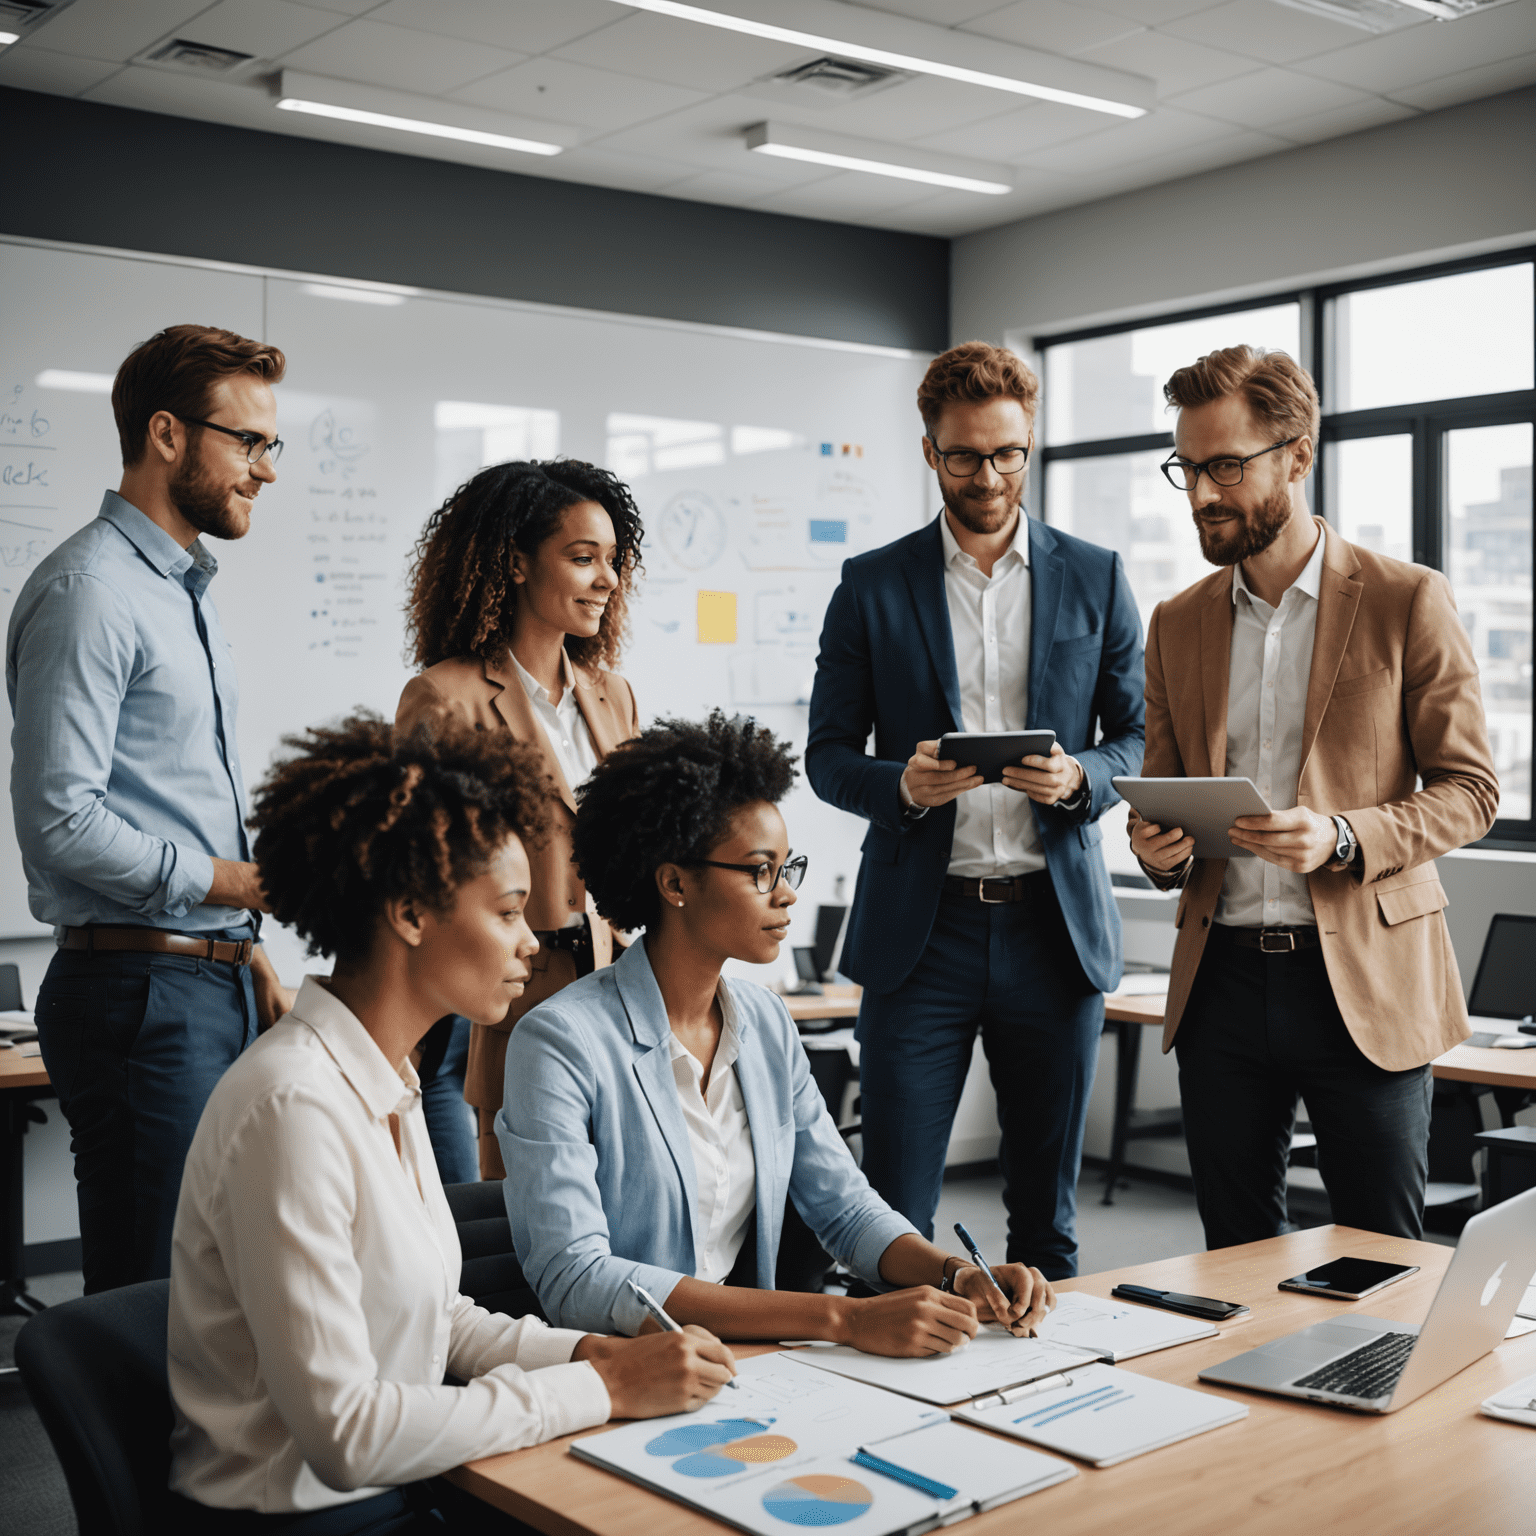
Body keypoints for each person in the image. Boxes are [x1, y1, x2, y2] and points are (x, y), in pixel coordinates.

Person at [167, 713, 736, 1533]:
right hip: (305, 1518)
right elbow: (346, 1436)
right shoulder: (292, 1108)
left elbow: (438, 1320)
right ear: (409, 912)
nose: (531, 945)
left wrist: (593, 1355)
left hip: (404, 1490)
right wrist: (600, 1389)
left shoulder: (386, 1080)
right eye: (507, 912)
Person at [500, 711, 1055, 1349]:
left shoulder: (764, 1024)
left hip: (748, 1366)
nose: (786, 894)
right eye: (761, 870)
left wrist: (954, 1273)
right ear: (676, 881)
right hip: (627, 1371)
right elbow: (576, 1277)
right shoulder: (560, 1043)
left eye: (788, 869)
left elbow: (844, 1209)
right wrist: (844, 1319)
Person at [1130, 345, 1499, 1249]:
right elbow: (1162, 798)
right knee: (1234, 1258)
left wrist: (1340, 835)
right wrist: (1155, 845)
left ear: (1297, 454)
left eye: (1227, 465)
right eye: (1189, 467)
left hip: (1363, 981)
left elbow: (1472, 790)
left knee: (1383, 1252)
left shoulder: (1407, 599)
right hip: (1221, 980)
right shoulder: (1176, 621)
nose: (1202, 494)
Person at [805, 342, 1145, 1279]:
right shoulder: (873, 585)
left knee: (1047, 1223)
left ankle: (1065, 1400)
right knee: (893, 1219)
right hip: (925, 935)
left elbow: (1141, 738)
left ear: (1029, 445)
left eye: (1007, 454)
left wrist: (1082, 780)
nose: (989, 476)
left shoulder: (1096, 576)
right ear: (930, 452)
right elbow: (828, 757)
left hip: (1053, 926)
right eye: (965, 456)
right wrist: (901, 786)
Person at [8, 324, 296, 1294]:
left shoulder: (176, 592)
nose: (263, 470)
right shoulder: (92, 592)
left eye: (270, 446)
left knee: (212, 1290)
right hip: (139, 995)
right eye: (245, 442)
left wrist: (243, 937)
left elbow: (167, 802)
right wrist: (233, 882)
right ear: (166, 435)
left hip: (203, 979)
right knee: (154, 1298)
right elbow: (61, 823)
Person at [397, 459, 642, 1181]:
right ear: (514, 563)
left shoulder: (613, 695)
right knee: (526, 1235)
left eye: (613, 560)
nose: (608, 580)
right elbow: (420, 876)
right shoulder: (445, 697)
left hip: (618, 996)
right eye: (582, 559)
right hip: (512, 999)